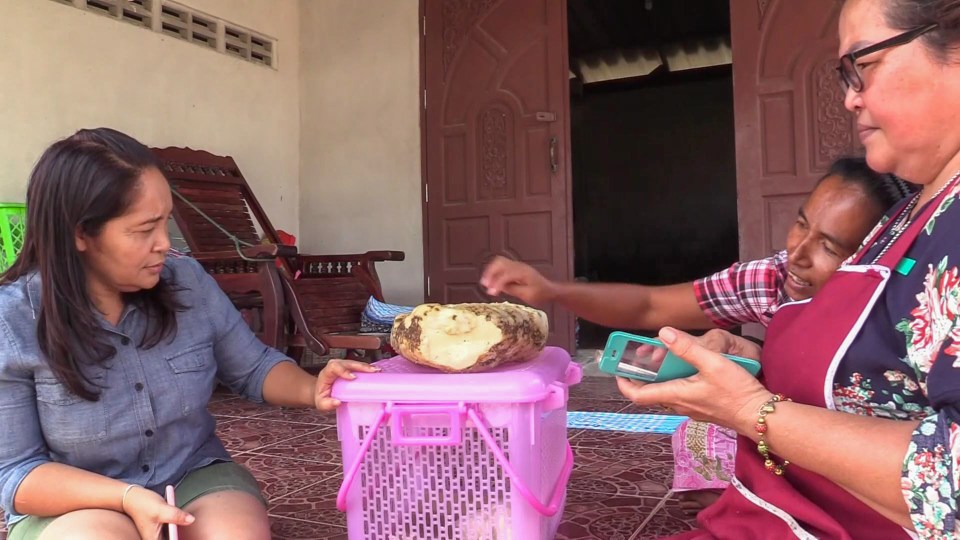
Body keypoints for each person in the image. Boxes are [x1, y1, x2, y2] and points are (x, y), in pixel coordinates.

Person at [611, 0, 960, 537]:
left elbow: (950, 488)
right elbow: (883, 382)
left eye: (862, 66)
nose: (849, 97)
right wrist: (753, 360)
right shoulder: (910, 212)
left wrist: (750, 408)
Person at [0, 128, 377, 540]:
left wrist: (312, 389)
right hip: (76, 499)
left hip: (189, 473)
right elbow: (17, 474)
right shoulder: (13, 319)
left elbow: (253, 367)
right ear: (80, 233)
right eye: (144, 230)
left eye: (166, 223)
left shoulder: (187, 282)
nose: (164, 244)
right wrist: (126, 497)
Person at [480, 157, 911, 513]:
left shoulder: (908, 314)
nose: (797, 255)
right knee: (702, 430)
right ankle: (740, 509)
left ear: (874, 256)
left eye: (830, 247)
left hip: (868, 478)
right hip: (776, 453)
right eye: (801, 224)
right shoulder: (774, 278)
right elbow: (651, 305)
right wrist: (551, 290)